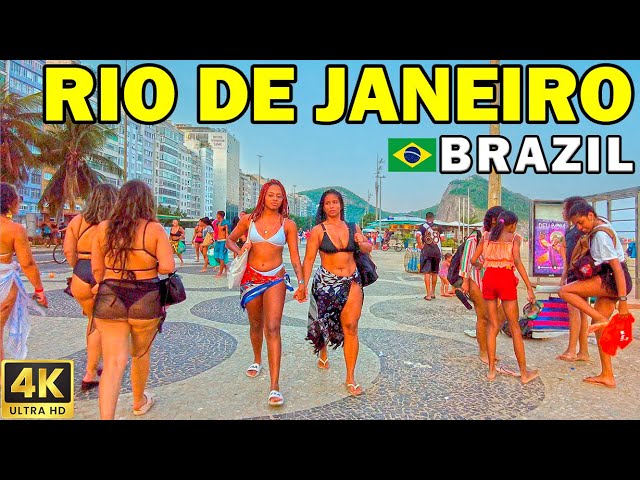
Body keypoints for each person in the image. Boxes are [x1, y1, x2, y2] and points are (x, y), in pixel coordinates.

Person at [91, 180, 175, 419]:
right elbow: (167, 266)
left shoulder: (104, 228)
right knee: (140, 354)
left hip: (111, 296)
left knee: (113, 363)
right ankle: (138, 401)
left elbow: (97, 270)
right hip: (145, 296)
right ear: (148, 202)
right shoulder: (154, 229)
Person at [225, 179, 304, 407]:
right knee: (255, 323)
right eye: (271, 195)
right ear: (263, 196)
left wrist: (301, 283)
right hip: (251, 278)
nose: (275, 199)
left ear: (284, 199)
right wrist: (241, 250)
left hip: (275, 278)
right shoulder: (248, 220)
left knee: (273, 327)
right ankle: (257, 359)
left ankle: (275, 385)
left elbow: (295, 257)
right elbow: (229, 240)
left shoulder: (288, 224)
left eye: (279, 196)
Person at [295, 189, 372, 397]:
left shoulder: (352, 227)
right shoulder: (318, 230)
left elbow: (367, 248)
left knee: (351, 326)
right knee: (323, 324)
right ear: (323, 206)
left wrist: (361, 241)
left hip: (351, 281)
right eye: (328, 203)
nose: (332, 206)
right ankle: (323, 351)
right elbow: (309, 259)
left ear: (340, 205)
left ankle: (350, 377)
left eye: (335, 202)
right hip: (325, 283)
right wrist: (302, 285)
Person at [558, 202, 633, 389]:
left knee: (565, 291)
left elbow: (617, 268)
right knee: (599, 329)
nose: (580, 227)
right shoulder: (602, 223)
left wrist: (623, 303)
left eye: (581, 222)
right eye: (576, 224)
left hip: (612, 279)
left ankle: (601, 318)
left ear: (591, 215)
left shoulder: (600, 235)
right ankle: (607, 375)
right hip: (612, 278)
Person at [470, 210, 539, 384]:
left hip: (489, 279)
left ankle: (491, 371)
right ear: (513, 225)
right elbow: (517, 262)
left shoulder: (486, 237)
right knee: (514, 326)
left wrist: (482, 265)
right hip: (506, 279)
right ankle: (524, 373)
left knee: (492, 325)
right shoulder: (514, 238)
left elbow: (473, 260)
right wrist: (529, 288)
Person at [63, 183, 118, 391]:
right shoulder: (114, 223)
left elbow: (69, 251)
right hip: (104, 272)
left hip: (81, 271)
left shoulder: (77, 221)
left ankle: (98, 364)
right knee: (101, 324)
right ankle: (91, 372)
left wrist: (78, 269)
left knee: (92, 322)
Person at [0, 183, 48, 384]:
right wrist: (39, 290)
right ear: (10, 203)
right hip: (4, 282)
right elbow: (27, 263)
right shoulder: (14, 229)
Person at [459, 206, 508, 364]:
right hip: (477, 280)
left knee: (501, 314)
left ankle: (489, 347)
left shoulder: (499, 236)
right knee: (483, 317)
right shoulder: (477, 236)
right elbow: (467, 259)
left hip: (495, 280)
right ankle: (483, 351)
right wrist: (465, 281)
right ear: (494, 220)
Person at [556, 196, 590, 362]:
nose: (563, 212)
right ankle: (583, 351)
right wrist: (564, 274)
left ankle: (571, 349)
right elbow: (566, 253)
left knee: (574, 310)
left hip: (578, 274)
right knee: (581, 311)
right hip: (575, 273)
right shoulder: (571, 230)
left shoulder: (578, 231)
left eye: (565, 209)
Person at [416, 212, 442, 300]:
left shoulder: (422, 226)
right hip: (437, 252)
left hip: (427, 251)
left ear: (426, 218)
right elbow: (443, 238)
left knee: (427, 273)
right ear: (433, 218)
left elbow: (418, 235)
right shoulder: (438, 227)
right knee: (434, 272)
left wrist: (420, 245)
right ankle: (433, 292)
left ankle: (428, 295)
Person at [213, 211, 231, 278]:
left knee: (221, 257)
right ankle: (225, 267)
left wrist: (227, 242)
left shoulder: (226, 223)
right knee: (216, 256)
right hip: (218, 241)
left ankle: (220, 272)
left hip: (223, 241)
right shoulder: (217, 223)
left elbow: (227, 233)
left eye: (217, 214)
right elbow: (215, 232)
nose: (216, 216)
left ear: (219, 215)